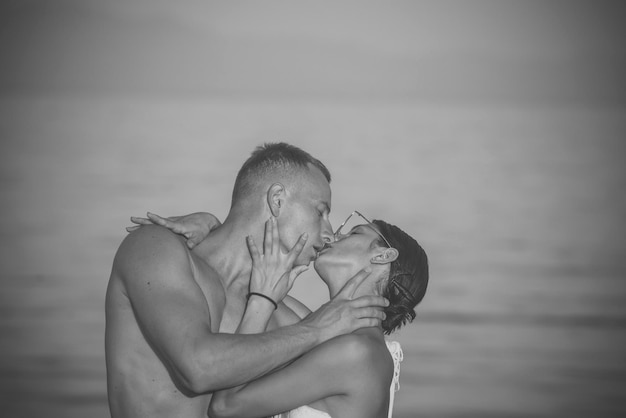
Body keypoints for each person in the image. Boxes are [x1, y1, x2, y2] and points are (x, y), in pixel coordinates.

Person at [105, 143, 389, 418]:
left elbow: (353, 363)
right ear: (277, 200)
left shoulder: (276, 310)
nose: (329, 233)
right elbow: (198, 368)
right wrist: (315, 329)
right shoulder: (154, 247)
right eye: (320, 212)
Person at [131, 209, 428, 418]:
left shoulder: (356, 351)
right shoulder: (327, 329)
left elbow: (225, 406)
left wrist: (263, 301)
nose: (332, 235)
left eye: (355, 231)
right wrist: (216, 229)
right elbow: (244, 286)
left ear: (383, 255)